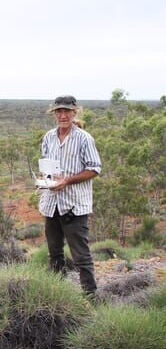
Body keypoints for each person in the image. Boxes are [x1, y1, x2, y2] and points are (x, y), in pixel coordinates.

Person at [39, 95, 101, 296]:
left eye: (67, 111)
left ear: (75, 112)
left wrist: (67, 180)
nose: (63, 115)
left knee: (81, 256)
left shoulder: (84, 138)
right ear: (55, 113)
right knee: (54, 253)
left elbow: (94, 169)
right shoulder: (48, 137)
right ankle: (56, 294)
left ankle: (90, 297)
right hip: (51, 204)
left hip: (74, 205)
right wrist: (46, 179)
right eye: (59, 111)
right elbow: (47, 166)